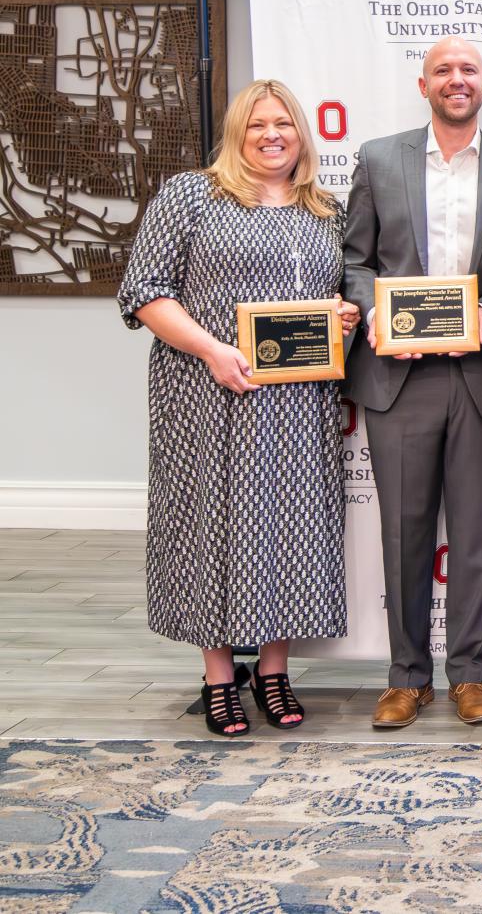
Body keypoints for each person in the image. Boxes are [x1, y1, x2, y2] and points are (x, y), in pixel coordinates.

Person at [117, 79, 359, 736]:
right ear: (236, 134)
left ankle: (274, 671)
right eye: (257, 125)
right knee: (212, 525)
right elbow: (143, 291)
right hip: (207, 395)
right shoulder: (192, 196)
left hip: (299, 406)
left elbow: (335, 302)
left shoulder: (324, 209)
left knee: (289, 528)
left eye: (283, 123)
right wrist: (212, 350)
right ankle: (219, 677)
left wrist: (343, 316)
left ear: (302, 134)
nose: (272, 134)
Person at [343, 36, 482, 729]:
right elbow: (355, 260)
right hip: (398, 375)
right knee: (404, 530)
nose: (457, 80)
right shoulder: (377, 157)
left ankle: (470, 674)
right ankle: (406, 675)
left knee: (477, 532)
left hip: (479, 373)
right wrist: (375, 312)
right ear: (422, 83)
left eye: (468, 71)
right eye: (443, 71)